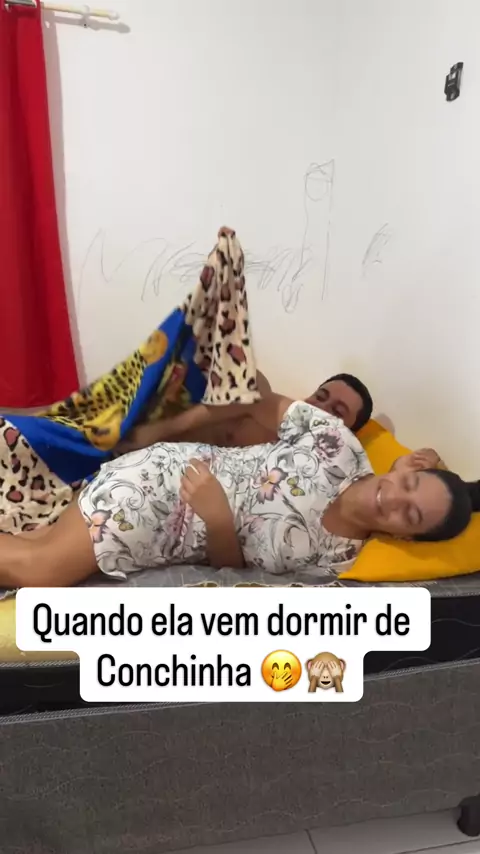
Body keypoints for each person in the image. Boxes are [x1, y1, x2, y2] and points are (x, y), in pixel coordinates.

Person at [1, 394, 475, 588]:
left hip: (171, 532)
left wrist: (219, 518)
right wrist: (161, 429)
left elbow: (232, 568)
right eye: (409, 484)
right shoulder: (339, 446)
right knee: (39, 568)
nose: (394, 499)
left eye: (410, 514)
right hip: (162, 481)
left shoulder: (336, 559)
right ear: (406, 466)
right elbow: (254, 397)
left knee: (30, 549)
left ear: (406, 537)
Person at [118, 371, 374, 454]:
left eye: (337, 412)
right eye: (320, 396)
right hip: (142, 431)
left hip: (163, 474)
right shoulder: (263, 403)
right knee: (253, 381)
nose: (319, 408)